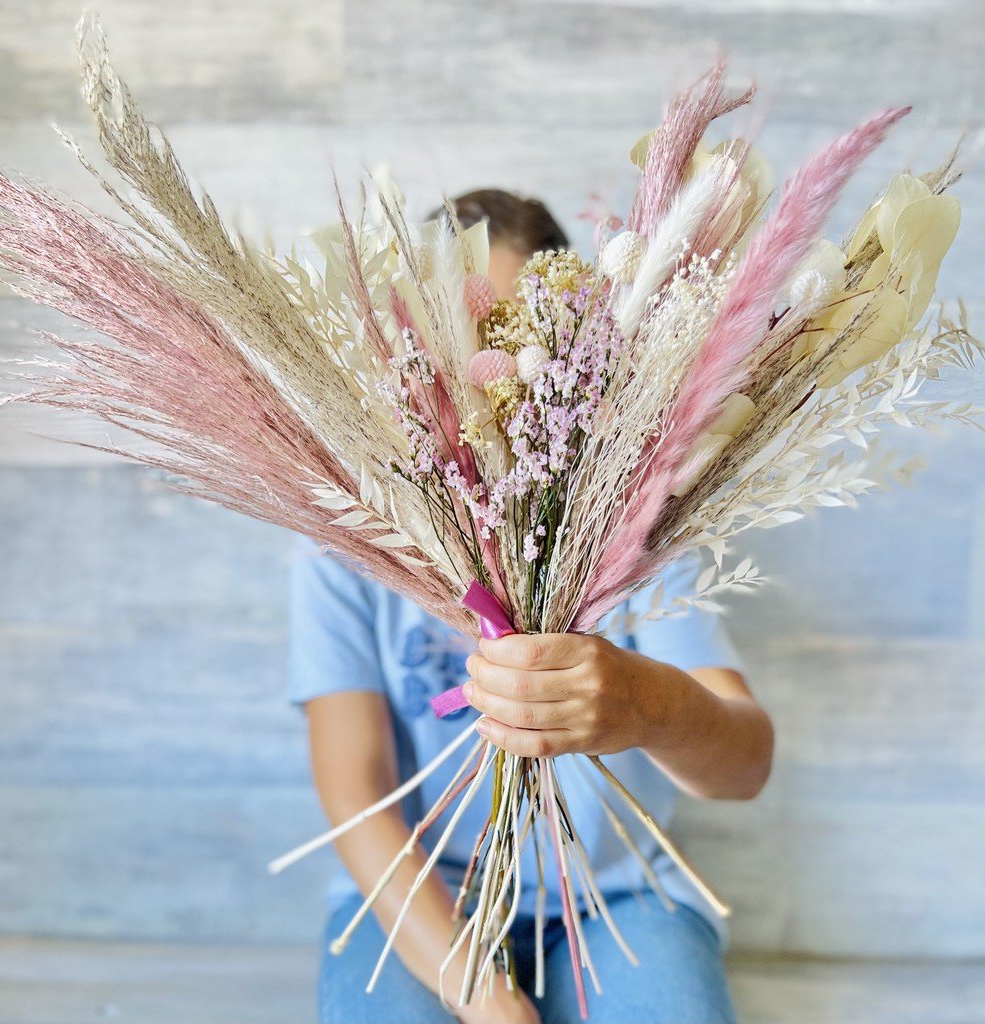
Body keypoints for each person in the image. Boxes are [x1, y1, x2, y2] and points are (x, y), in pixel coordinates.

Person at [288, 189, 774, 1024]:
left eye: (514, 340)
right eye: (449, 339)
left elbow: (745, 764)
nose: (485, 376)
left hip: (617, 901)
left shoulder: (637, 525)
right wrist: (485, 994)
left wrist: (645, 704)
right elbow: (354, 792)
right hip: (420, 896)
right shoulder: (345, 539)